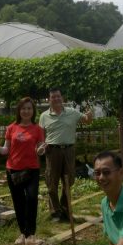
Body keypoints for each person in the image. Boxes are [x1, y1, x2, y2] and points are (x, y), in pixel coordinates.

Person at [0, 97, 46, 245]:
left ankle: (31, 234)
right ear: (19, 110)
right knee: (18, 202)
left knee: (31, 199)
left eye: (29, 108)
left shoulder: (37, 129)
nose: (26, 111)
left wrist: (41, 149)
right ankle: (23, 233)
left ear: (33, 111)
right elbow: (6, 149)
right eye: (23, 108)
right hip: (13, 170)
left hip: (32, 169)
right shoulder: (11, 128)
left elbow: (41, 147)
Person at [39, 88, 92, 222]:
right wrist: (40, 146)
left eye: (58, 96)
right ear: (49, 99)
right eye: (53, 97)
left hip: (69, 150)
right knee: (51, 182)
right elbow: (40, 136)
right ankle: (55, 212)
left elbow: (86, 120)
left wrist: (90, 114)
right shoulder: (44, 116)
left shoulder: (72, 112)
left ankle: (64, 209)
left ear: (62, 98)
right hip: (52, 151)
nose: (56, 99)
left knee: (69, 181)